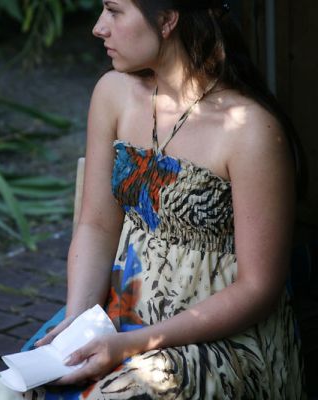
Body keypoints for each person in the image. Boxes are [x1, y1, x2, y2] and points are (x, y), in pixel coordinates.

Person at [26, 0, 305, 398]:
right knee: (32, 387)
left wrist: (130, 346)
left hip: (218, 339)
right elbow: (97, 224)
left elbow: (258, 288)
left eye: (114, 10)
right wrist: (78, 321)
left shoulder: (250, 131)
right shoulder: (113, 94)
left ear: (168, 19)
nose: (98, 28)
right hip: (120, 315)